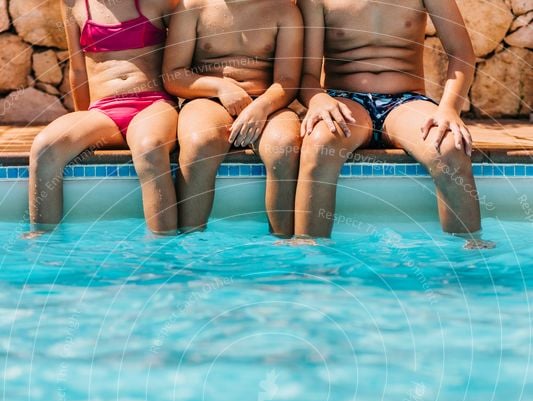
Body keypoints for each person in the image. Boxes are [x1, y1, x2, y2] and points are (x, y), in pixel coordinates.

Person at [295, 0, 490, 245]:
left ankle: (467, 258)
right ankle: (307, 253)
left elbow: (461, 53)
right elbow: (308, 74)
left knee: (449, 146)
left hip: (406, 101)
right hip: (346, 102)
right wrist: (318, 100)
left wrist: (450, 109)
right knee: (319, 143)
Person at [30, 0, 178, 235]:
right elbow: (77, 70)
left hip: (153, 105)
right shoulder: (73, 3)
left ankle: (162, 251)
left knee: (149, 148)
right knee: (44, 148)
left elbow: (183, 56)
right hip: (102, 112)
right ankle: (41, 246)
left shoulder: (162, 2)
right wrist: (84, 126)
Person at [163, 0, 303, 236]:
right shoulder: (192, 8)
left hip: (267, 102)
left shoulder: (284, 10)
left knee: (284, 146)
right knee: (200, 143)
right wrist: (220, 87)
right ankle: (190, 243)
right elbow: (173, 75)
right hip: (208, 99)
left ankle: (284, 249)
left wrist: (261, 107)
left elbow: (288, 81)